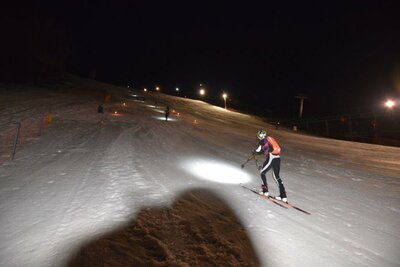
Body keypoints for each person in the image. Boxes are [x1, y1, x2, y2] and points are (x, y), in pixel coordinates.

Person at [253, 129, 287, 202]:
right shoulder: (270, 138)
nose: (258, 137)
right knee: (277, 177)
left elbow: (262, 150)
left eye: (258, 136)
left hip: (272, 157)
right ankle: (283, 196)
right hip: (277, 158)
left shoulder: (263, 141)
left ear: (261, 136)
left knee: (262, 173)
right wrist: (258, 152)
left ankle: (265, 191)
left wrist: (255, 152)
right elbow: (265, 149)